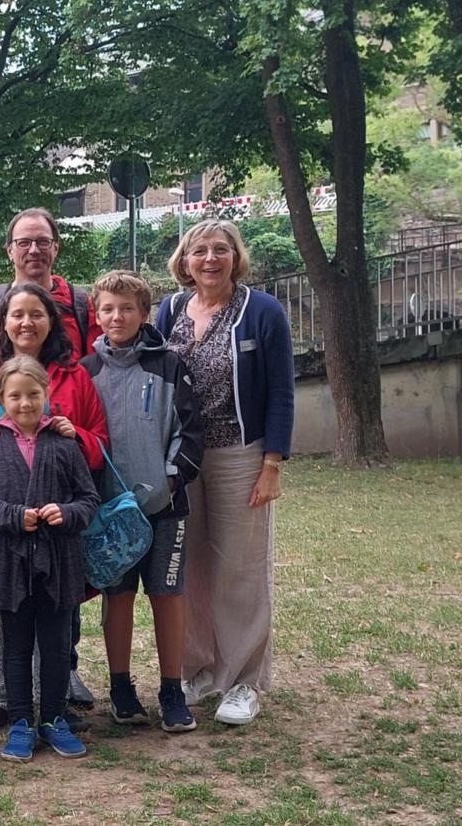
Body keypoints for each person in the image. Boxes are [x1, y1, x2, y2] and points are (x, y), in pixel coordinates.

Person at [0, 283, 108, 734]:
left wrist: (77, 436)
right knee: (5, 613)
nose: (26, 322)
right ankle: (2, 699)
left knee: (58, 611)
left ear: (52, 320)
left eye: (37, 313)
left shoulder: (75, 376)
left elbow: (99, 443)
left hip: (58, 527)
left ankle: (55, 695)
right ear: (3, 321)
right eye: (17, 314)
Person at [155, 219, 293, 726]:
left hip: (240, 452)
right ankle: (196, 671)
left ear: (236, 257)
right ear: (184, 260)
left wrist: (272, 463)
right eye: (199, 251)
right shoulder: (169, 310)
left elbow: (281, 390)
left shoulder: (262, 311)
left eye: (220, 250)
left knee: (240, 566)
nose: (209, 259)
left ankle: (241, 682)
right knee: (186, 565)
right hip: (181, 455)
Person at [85, 271, 205, 733]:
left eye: (127, 308)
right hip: (109, 512)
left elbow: (190, 430)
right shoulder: (85, 370)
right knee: (118, 597)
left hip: (164, 507)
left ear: (144, 313)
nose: (117, 316)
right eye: (108, 309)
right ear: (97, 315)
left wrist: (171, 482)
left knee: (167, 595)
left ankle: (172, 690)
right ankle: (120, 687)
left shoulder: (170, 364)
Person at [0, 357, 97, 762]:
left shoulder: (63, 443)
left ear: (47, 395)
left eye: (33, 394)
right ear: (1, 397)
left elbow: (88, 498)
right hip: (7, 561)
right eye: (15, 395)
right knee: (16, 646)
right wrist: (12, 517)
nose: (25, 403)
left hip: (59, 561)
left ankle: (54, 717)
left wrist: (67, 513)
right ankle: (21, 720)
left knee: (56, 644)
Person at [0, 209, 99, 363]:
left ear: (55, 248)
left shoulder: (82, 307)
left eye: (43, 242)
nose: (34, 250)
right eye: (24, 243)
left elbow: (97, 374)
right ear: (10, 250)